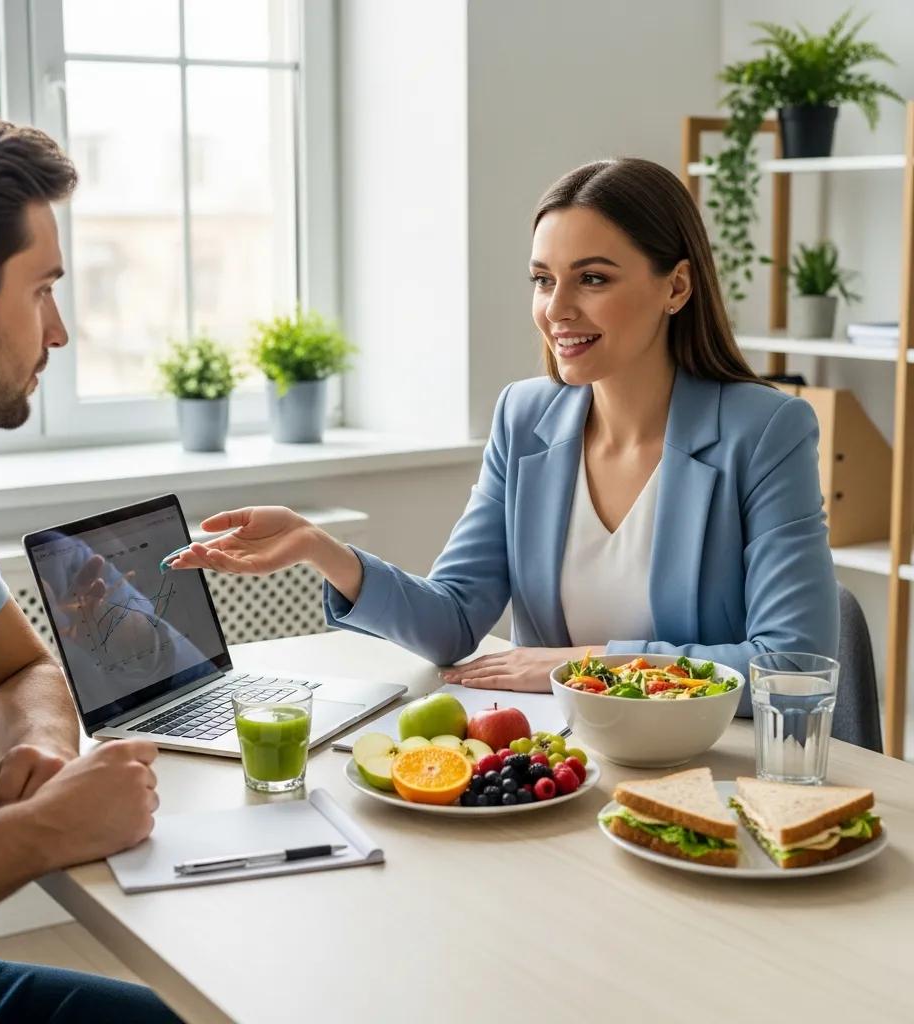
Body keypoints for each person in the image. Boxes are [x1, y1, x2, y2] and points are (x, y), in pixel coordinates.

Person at [169, 157, 839, 709]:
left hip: (711, 774)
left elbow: (791, 666)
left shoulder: (766, 431)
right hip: (564, 768)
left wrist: (582, 666)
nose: (556, 310)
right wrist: (322, 550)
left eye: (594, 279)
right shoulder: (526, 418)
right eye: (543, 280)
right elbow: (457, 618)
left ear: (677, 287)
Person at [0, 108, 180, 1022]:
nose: (58, 334)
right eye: (42, 290)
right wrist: (42, 829)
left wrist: (35, 752)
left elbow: (14, 669)